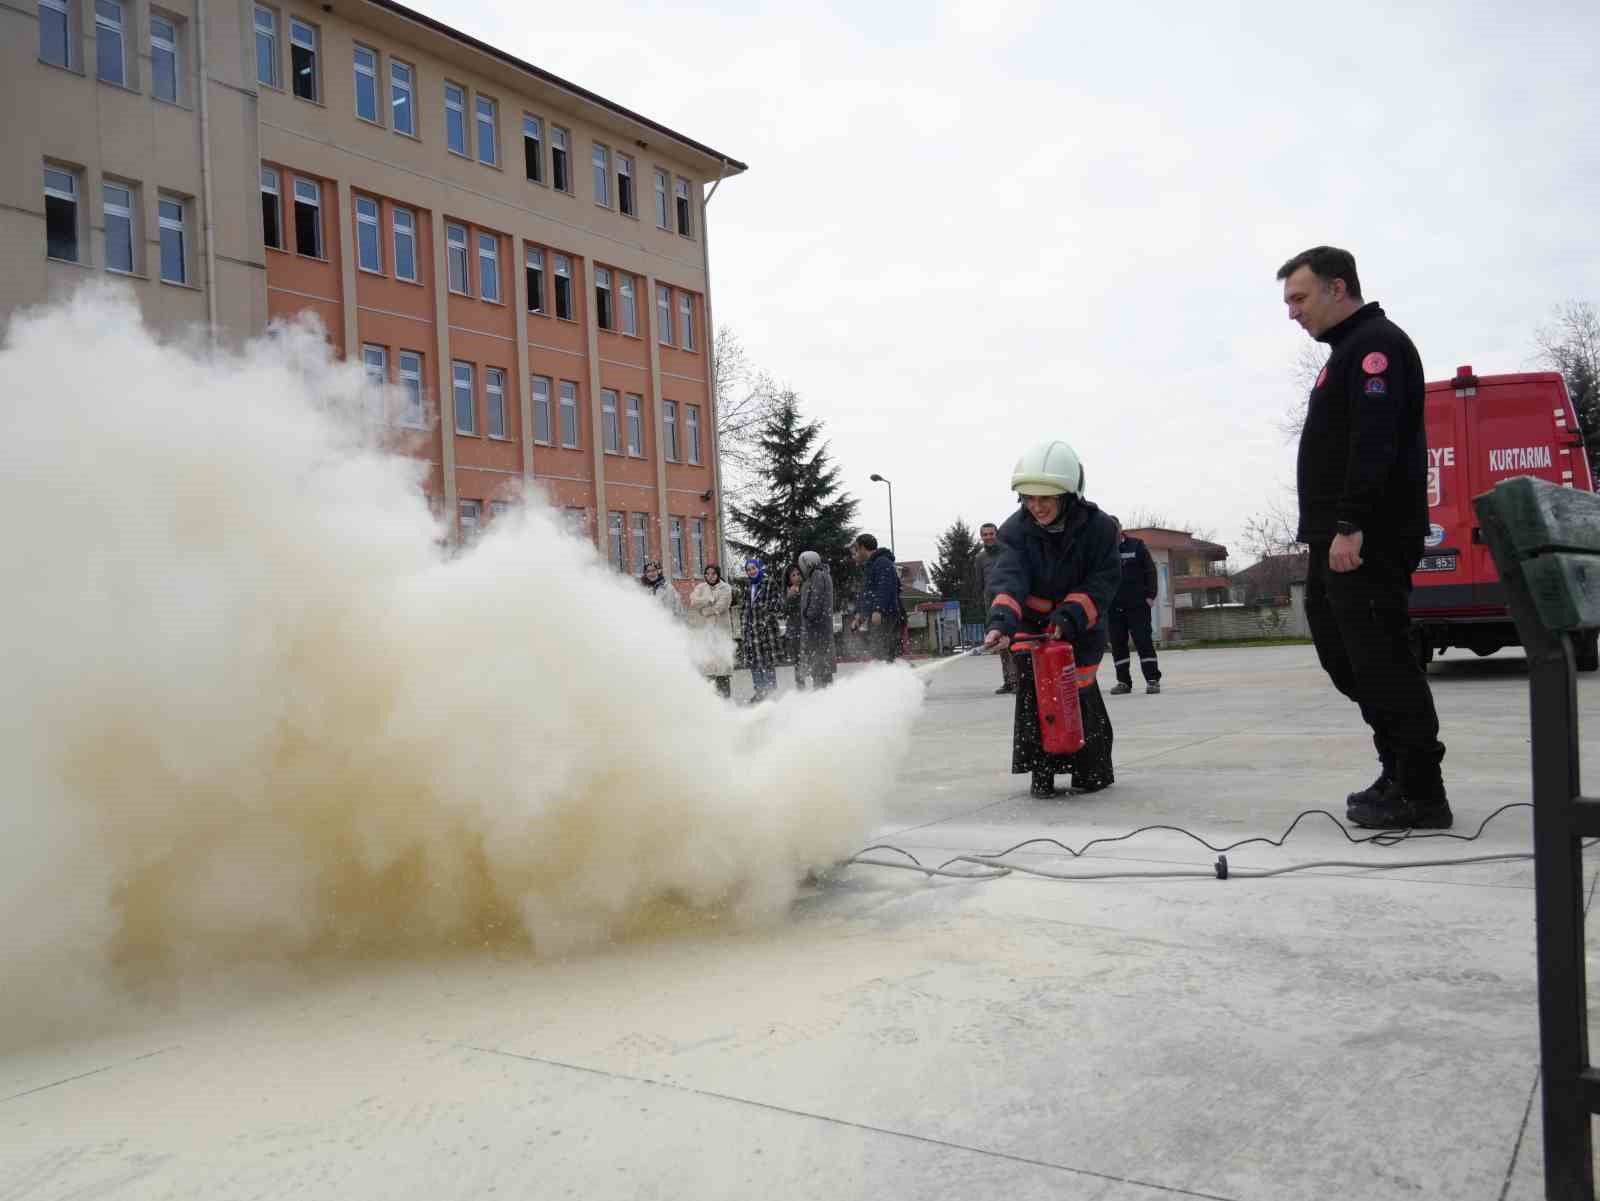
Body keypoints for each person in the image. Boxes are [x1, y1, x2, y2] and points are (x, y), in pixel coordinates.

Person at [1278, 245, 1449, 830]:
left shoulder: (1376, 346)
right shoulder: (1346, 352)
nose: (1293, 313)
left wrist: (1351, 524)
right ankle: (1397, 766)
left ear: (1338, 288)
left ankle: (1421, 787)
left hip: (1364, 537)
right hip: (1338, 539)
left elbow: (1373, 442)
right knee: (1346, 655)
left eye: (1299, 298)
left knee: (1381, 658)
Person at [982, 439, 1120, 799]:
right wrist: (1001, 623)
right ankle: (1041, 772)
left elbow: (1103, 580)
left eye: (1046, 499)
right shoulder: (1014, 531)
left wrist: (1070, 615)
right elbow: (1009, 579)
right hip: (1031, 626)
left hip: (1081, 625)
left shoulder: (1100, 529)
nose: (1037, 507)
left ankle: (1090, 771)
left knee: (1079, 691)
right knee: (1034, 694)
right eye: (1029, 498)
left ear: (1068, 496)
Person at [1106, 520, 1162, 695]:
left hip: (1137, 606)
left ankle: (1152, 680)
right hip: (1113, 607)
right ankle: (1123, 682)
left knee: (1143, 642)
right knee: (1117, 645)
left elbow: (1150, 571)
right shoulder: (1101, 550)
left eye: (1112, 529)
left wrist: (1150, 596)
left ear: (1120, 529)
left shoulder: (1136, 545)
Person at [975, 522, 1019, 695]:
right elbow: (979, 584)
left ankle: (1017, 681)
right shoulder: (980, 558)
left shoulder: (1007, 553)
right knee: (998, 644)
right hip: (991, 606)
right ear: (981, 537)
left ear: (997, 534)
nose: (988, 537)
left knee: (1012, 643)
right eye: (985, 534)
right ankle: (1008, 681)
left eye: (991, 533)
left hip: (1009, 603)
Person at [739, 557, 785, 702]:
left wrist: (766, 612)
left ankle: (770, 691)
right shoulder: (748, 586)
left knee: (767, 662)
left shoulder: (768, 582)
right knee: (755, 662)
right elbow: (745, 607)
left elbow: (778, 604)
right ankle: (759, 690)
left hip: (765, 629)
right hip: (750, 629)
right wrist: (744, 625)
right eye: (748, 569)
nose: (751, 571)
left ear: (759, 568)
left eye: (753, 568)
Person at [850, 533, 901, 663]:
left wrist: (878, 610)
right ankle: (904, 678)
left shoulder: (882, 562)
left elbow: (885, 588)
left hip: (886, 616)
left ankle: (913, 677)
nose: (855, 553)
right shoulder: (871, 566)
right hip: (877, 617)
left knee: (886, 654)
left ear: (862, 548)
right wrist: (859, 615)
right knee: (880, 653)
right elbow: (866, 594)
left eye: (856, 549)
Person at [687, 562, 735, 697]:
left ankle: (725, 700)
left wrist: (706, 610)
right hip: (706, 633)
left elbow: (721, 606)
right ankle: (711, 701)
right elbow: (693, 601)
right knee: (708, 669)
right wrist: (708, 599)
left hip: (721, 632)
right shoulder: (701, 587)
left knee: (722, 670)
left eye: (713, 573)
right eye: (707, 573)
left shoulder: (725, 588)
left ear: (718, 574)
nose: (710, 576)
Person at [797, 550, 837, 688]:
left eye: (802, 563)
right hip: (820, 627)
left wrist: (808, 614)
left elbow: (816, 599)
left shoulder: (817, 575)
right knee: (820, 663)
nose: (801, 567)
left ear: (808, 562)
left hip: (817, 628)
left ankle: (822, 694)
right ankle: (823, 691)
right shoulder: (820, 575)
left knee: (819, 663)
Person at [783, 563, 807, 690]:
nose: (797, 577)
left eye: (798, 574)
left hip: (807, 628)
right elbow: (784, 611)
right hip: (795, 629)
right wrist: (789, 598)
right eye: (793, 575)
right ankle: (800, 686)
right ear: (789, 578)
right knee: (798, 660)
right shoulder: (787, 591)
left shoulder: (807, 588)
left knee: (809, 657)